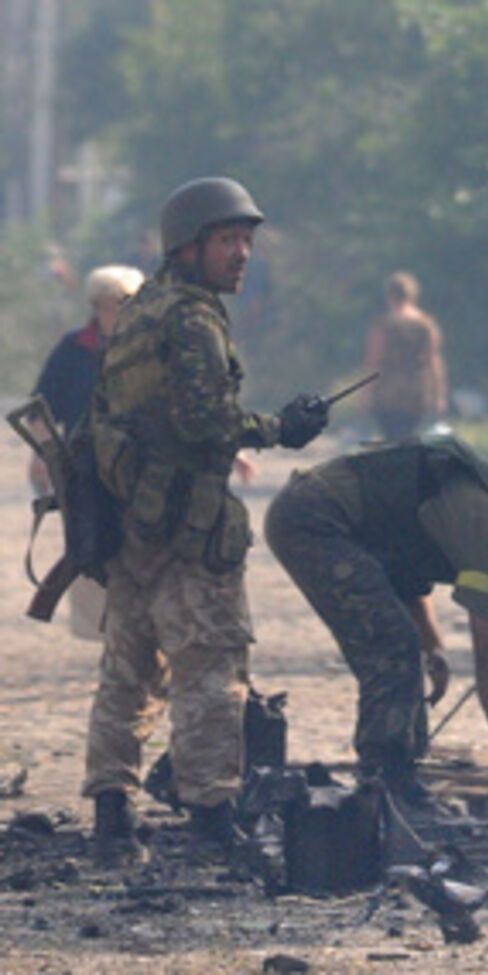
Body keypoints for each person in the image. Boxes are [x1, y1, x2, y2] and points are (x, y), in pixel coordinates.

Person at [83, 176, 331, 865]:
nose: (242, 254)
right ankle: (213, 818)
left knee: (125, 671)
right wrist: (282, 428)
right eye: (228, 241)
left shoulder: (137, 311)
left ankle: (112, 814)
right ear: (189, 248)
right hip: (189, 529)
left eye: (248, 241)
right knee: (212, 669)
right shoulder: (192, 317)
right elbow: (206, 420)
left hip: (131, 522)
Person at [264, 435, 488, 803]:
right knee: (391, 645)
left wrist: (434, 648)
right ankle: (385, 778)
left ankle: (401, 770)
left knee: (402, 640)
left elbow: (406, 573)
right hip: (313, 520)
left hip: (337, 522)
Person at [28, 265, 145, 639]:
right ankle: (104, 638)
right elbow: (41, 409)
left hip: (138, 470)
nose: (120, 311)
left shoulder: (147, 350)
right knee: (90, 546)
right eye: (113, 304)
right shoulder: (74, 350)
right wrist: (45, 455)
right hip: (85, 470)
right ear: (98, 305)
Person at [363, 271, 448, 441]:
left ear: (390, 295)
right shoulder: (426, 324)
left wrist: (366, 392)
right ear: (413, 294)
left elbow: (373, 360)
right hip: (416, 393)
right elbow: (434, 361)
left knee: (390, 438)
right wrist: (439, 395)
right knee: (407, 438)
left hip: (386, 392)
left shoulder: (383, 324)